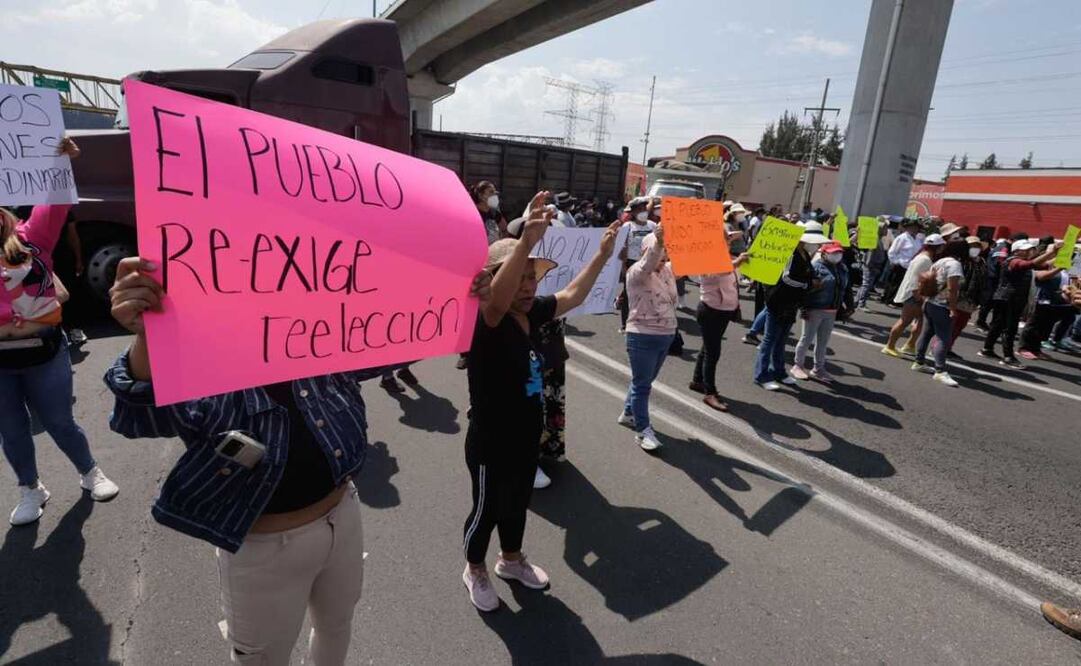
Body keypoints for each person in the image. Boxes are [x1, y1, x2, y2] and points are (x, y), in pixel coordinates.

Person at [106, 250, 494, 663]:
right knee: (263, 657)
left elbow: (394, 340)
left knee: (336, 626)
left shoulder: (317, 326)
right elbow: (138, 418)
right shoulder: (201, 345)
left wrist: (461, 300)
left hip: (342, 516)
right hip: (262, 547)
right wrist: (149, 335)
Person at [462, 192, 620, 612]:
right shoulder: (488, 320)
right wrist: (527, 243)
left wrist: (603, 256)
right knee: (487, 509)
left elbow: (571, 295)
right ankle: (474, 567)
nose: (530, 286)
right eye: (521, 279)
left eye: (533, 279)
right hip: (489, 440)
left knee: (516, 505)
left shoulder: (529, 314)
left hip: (524, 436)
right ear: (501, 280)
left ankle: (510, 561)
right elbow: (495, 301)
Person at [0, 138, 119, 527]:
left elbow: (53, 198)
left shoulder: (33, 238)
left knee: (59, 421)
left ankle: (89, 472)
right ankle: (30, 488)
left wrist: (61, 161)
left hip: (45, 352)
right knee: (12, 430)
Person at [618, 225, 677, 451]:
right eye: (659, 254)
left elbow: (698, 264)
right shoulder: (637, 272)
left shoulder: (668, 271)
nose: (663, 260)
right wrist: (659, 242)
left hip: (666, 335)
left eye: (665, 256)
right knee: (643, 386)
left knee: (643, 381)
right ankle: (643, 431)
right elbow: (649, 262)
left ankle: (628, 412)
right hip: (642, 337)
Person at [754, 224, 829, 390]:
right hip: (778, 301)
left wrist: (813, 281)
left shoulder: (805, 254)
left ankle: (779, 372)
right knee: (769, 339)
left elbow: (806, 275)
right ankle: (761, 375)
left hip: (792, 302)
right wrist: (808, 284)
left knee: (781, 339)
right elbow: (786, 278)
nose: (815, 244)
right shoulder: (791, 253)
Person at [689, 229, 750, 411]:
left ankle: (697, 380)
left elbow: (730, 273)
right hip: (711, 311)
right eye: (725, 240)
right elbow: (716, 271)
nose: (729, 243)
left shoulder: (724, 256)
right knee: (712, 352)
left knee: (707, 348)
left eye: (729, 240)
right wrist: (737, 262)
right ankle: (710, 393)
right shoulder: (706, 257)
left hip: (723, 311)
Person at [978, 238, 1061, 368]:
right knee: (1009, 328)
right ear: (1017, 251)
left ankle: (987, 349)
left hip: (1010, 298)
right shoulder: (1013, 261)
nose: (1030, 252)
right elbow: (1031, 264)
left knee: (998, 326)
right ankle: (1008, 357)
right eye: (1026, 250)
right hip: (1008, 298)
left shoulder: (1022, 261)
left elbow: (1043, 264)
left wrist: (1061, 258)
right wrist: (1051, 252)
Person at [791, 241, 850, 382]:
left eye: (839, 252)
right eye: (833, 252)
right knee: (806, 339)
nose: (837, 255)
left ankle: (818, 368)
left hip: (831, 309)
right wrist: (804, 307)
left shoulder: (842, 268)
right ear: (824, 254)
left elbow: (845, 289)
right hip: (815, 308)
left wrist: (848, 306)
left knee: (823, 342)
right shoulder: (815, 267)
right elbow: (806, 289)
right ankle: (797, 366)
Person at [911, 240, 966, 387]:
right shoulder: (954, 265)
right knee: (944, 338)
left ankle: (919, 361)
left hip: (930, 302)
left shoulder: (940, 261)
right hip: (942, 306)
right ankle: (940, 371)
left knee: (926, 333)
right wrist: (953, 309)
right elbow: (952, 289)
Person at [882, 234, 945, 358]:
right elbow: (914, 279)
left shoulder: (924, 257)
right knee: (905, 321)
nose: (942, 248)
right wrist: (917, 295)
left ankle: (910, 345)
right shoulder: (924, 259)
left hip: (918, 295)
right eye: (941, 246)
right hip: (914, 295)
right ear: (936, 247)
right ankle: (889, 346)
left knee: (920, 321)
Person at [1017, 263, 1074, 360]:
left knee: (1045, 327)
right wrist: (1058, 267)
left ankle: (1036, 349)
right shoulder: (1048, 268)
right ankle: (1023, 348)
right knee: (1033, 324)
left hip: (1055, 303)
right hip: (1042, 300)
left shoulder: (1068, 273)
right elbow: (1040, 277)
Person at [616, 198, 657, 332]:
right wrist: (623, 266)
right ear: (633, 213)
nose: (642, 212)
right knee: (629, 294)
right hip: (632, 263)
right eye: (639, 210)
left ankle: (641, 320)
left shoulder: (652, 226)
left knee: (647, 293)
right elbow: (622, 247)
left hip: (649, 263)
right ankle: (625, 324)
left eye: (644, 209)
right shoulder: (627, 226)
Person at [945, 236, 988, 358]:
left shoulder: (982, 262)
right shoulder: (961, 261)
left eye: (977, 246)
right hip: (959, 297)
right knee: (951, 325)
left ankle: (948, 347)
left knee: (960, 325)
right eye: (972, 246)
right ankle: (940, 347)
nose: (975, 248)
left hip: (971, 300)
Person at [882, 218, 924, 304]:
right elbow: (892, 252)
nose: (914, 229)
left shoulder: (917, 239)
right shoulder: (902, 238)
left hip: (910, 265)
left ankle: (897, 300)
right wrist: (896, 262)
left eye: (916, 227)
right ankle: (889, 300)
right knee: (894, 283)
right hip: (900, 264)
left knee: (903, 284)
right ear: (908, 228)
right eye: (912, 227)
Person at [855, 221, 889, 311]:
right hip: (871, 266)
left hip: (874, 266)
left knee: (866, 285)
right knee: (866, 285)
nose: (887, 230)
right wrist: (871, 266)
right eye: (885, 228)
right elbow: (870, 254)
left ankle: (857, 301)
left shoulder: (878, 239)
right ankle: (861, 304)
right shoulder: (875, 239)